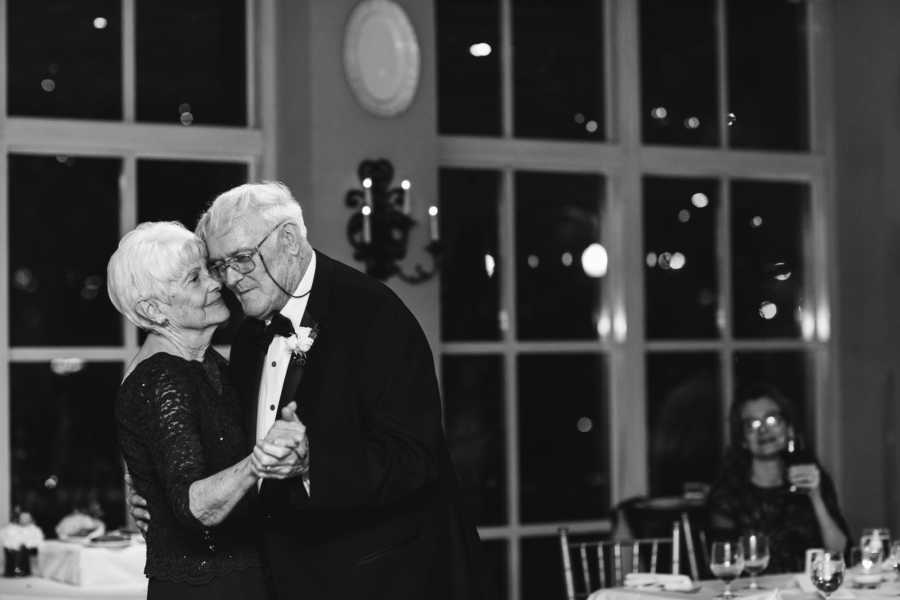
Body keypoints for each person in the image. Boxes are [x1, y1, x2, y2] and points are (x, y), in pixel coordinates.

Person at [130, 183, 489, 599]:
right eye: (220, 265)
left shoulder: (374, 314)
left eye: (242, 259)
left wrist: (311, 466)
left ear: (289, 241)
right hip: (286, 576)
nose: (230, 278)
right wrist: (162, 495)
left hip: (377, 577)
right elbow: (236, 448)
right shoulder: (249, 338)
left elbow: (414, 459)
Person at [108, 221, 305, 599]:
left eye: (208, 271)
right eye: (194, 279)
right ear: (153, 308)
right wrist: (262, 460)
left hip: (240, 578)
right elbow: (193, 506)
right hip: (207, 587)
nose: (217, 283)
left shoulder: (208, 363)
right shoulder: (161, 378)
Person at [707, 383, 849, 573]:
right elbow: (723, 565)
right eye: (752, 425)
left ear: (789, 429)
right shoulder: (727, 493)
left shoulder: (815, 478)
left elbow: (840, 553)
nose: (763, 430)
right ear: (742, 440)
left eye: (772, 420)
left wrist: (815, 498)